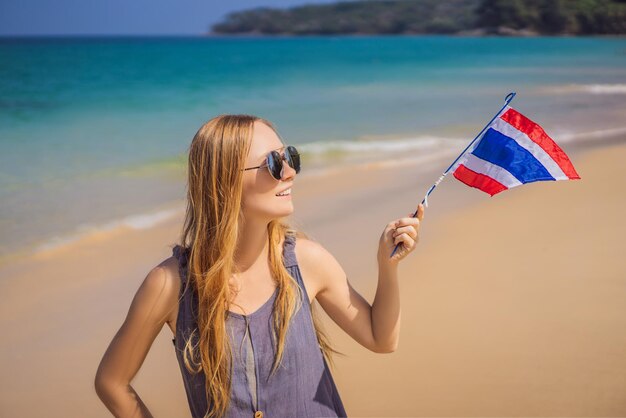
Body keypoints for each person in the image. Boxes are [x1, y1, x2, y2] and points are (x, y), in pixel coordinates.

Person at [94, 114, 425, 418]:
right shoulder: (170, 285)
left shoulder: (307, 261)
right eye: (273, 163)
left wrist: (387, 267)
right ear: (224, 182)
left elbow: (381, 339)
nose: (291, 171)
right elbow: (112, 381)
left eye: (289, 157)